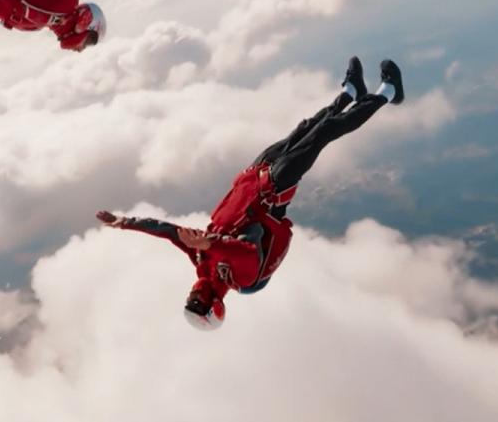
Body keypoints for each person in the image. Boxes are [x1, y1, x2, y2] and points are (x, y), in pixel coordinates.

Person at [96, 58, 407, 330]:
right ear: (214, 306)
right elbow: (250, 244)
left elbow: (167, 232)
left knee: (306, 128)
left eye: (189, 301)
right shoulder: (241, 278)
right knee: (323, 134)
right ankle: (388, 94)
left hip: (252, 178)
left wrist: (126, 222)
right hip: (273, 191)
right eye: (197, 304)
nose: (192, 296)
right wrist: (209, 243)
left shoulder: (202, 263)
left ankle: (351, 93)